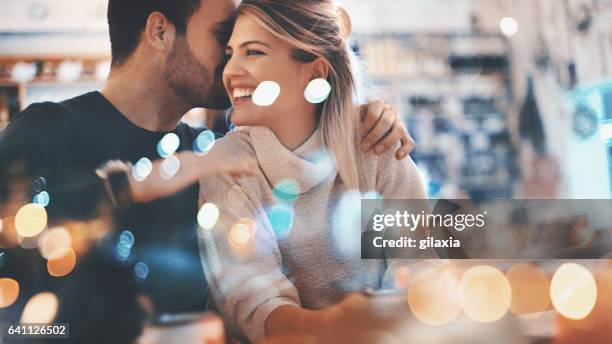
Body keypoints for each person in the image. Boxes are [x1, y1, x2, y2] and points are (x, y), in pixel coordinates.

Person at [0, 0, 413, 342]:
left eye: (248, 48)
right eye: (223, 40)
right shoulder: (46, 130)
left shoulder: (210, 152)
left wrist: (361, 120)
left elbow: (449, 244)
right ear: (161, 32)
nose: (229, 65)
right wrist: (135, 186)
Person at [197, 1, 431, 342]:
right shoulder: (226, 165)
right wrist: (340, 327)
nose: (230, 71)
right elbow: (253, 302)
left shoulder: (376, 146)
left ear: (315, 72)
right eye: (230, 53)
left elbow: (422, 266)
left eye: (253, 53)